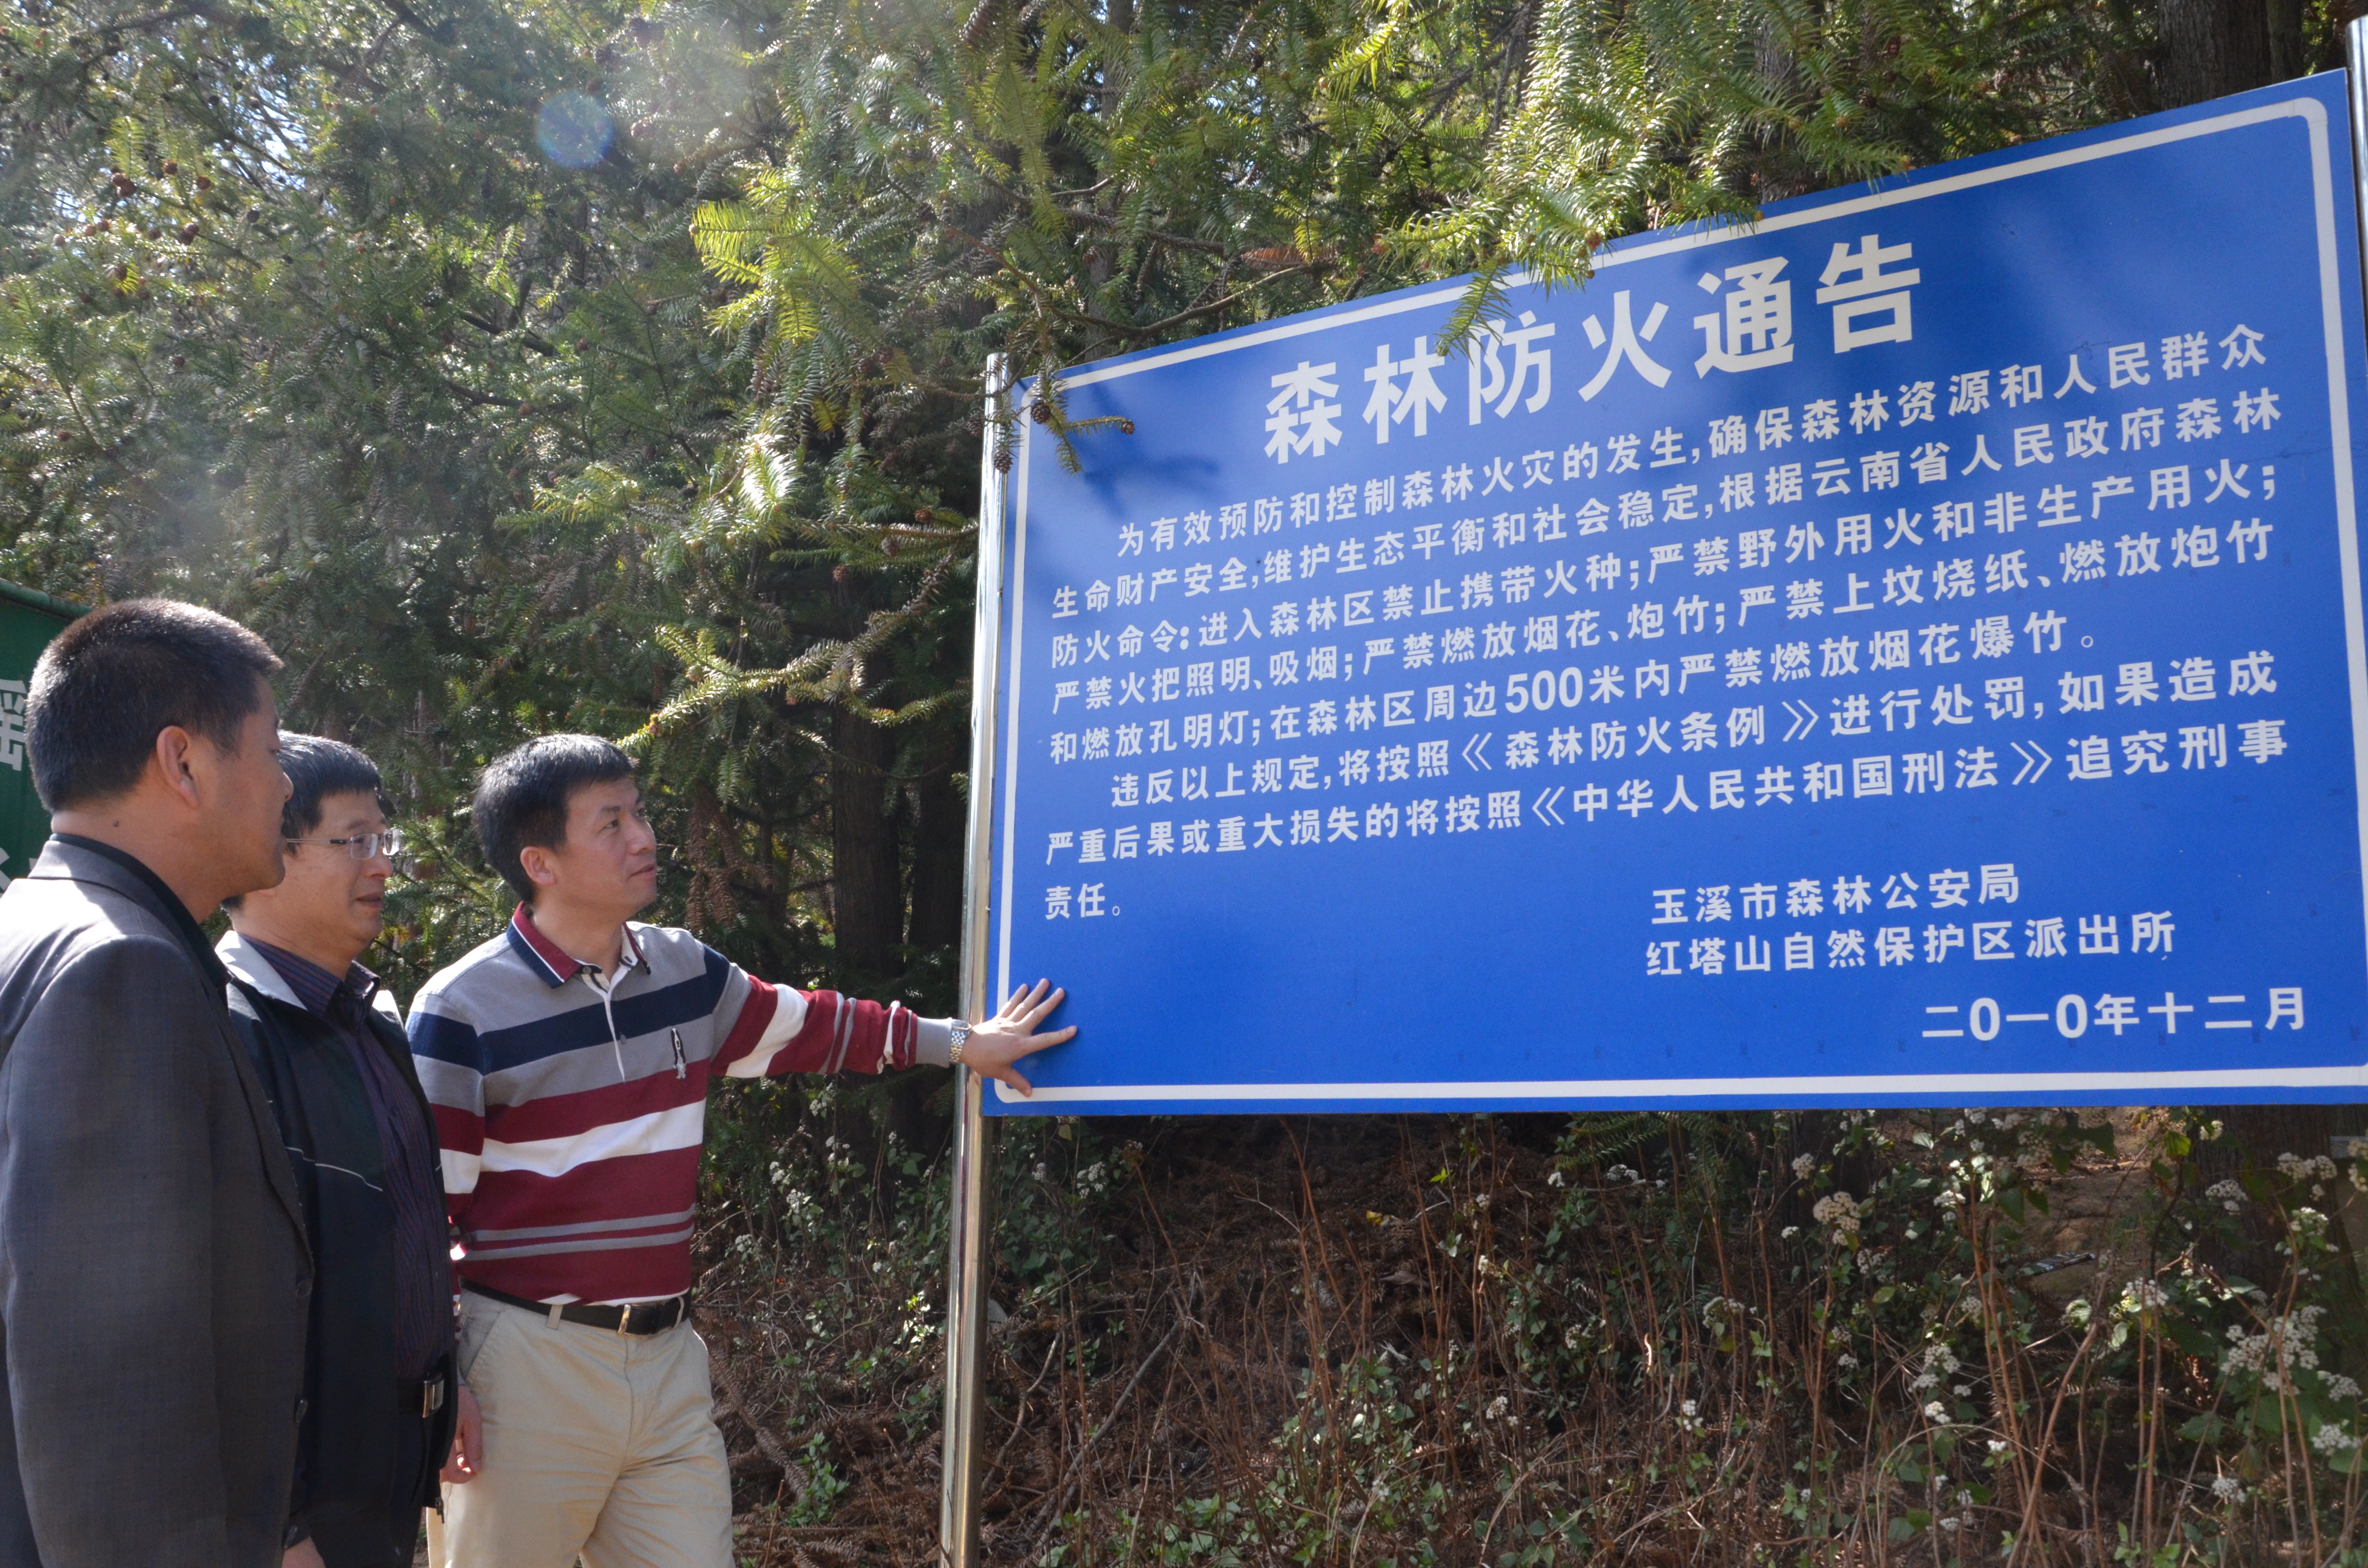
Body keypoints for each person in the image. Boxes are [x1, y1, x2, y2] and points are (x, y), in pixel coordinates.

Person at [410, 734, 1072, 1568]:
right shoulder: (462, 1010)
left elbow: (814, 1027)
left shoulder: (683, 972)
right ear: (539, 862)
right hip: (525, 1366)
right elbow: (422, 1218)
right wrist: (441, 1380)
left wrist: (962, 1042)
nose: (645, 837)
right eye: (611, 824)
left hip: (667, 1362)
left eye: (639, 812)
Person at [0, 599, 307, 1568]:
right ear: (183, 762)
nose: (286, 782)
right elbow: (111, 1386)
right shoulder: (121, 969)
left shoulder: (37, 923)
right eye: (270, 749)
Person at [220, 736, 463, 1568]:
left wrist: (445, 1393)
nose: (382, 865)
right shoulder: (229, 1033)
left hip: (391, 1465)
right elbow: (231, 1308)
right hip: (307, 1504)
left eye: (382, 839)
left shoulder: (370, 1019)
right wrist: (284, 1527)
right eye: (354, 841)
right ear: (270, 850)